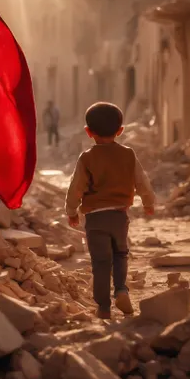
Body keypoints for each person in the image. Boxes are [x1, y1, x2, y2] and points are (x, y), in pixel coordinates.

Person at [65, 102, 155, 319]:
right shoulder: (128, 154)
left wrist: (71, 210)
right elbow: (141, 180)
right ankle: (122, 290)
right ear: (120, 131)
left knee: (101, 262)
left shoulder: (87, 158)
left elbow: (76, 186)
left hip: (95, 218)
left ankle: (104, 307)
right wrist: (148, 202)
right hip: (119, 215)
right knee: (120, 254)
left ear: (88, 132)